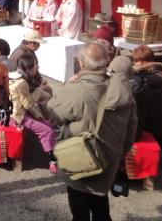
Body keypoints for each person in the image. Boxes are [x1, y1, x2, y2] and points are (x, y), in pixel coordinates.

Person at [49, 43, 137, 221]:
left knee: (79, 205)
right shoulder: (121, 88)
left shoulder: (78, 89)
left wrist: (67, 86)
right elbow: (132, 127)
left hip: (81, 155)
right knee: (100, 203)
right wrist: (119, 152)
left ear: (81, 63)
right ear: (106, 61)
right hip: (110, 155)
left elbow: (54, 112)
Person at [131, 45, 162, 172]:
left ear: (139, 62)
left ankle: (142, 165)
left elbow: (136, 103)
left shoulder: (139, 79)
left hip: (147, 122)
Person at [10, 53, 57, 172]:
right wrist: (40, 89)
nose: (37, 68)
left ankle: (49, 153)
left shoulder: (16, 75)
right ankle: (52, 160)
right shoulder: (21, 83)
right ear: (30, 69)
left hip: (17, 111)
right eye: (36, 66)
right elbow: (29, 104)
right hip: (17, 117)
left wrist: (37, 114)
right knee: (48, 130)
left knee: (47, 124)